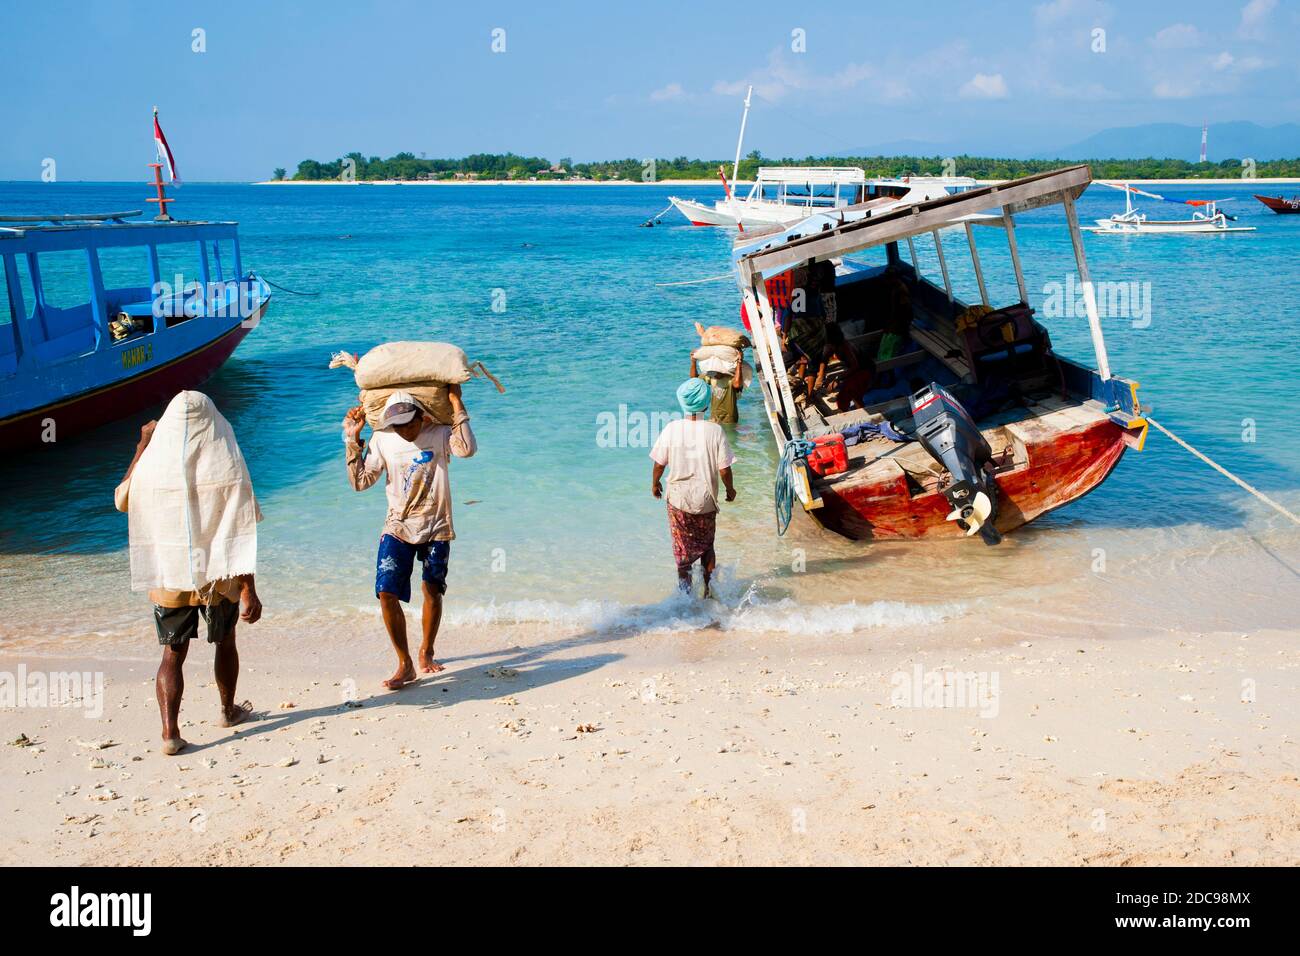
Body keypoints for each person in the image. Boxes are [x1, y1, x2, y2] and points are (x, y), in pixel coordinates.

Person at [114, 391, 264, 756]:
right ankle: (228, 712)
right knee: (225, 642)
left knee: (172, 654)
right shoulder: (225, 460)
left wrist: (141, 447)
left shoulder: (152, 465)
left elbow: (122, 500)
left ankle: (170, 733)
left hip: (171, 573)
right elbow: (241, 526)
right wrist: (249, 590)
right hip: (218, 575)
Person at [343, 387, 476, 690]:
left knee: (432, 590)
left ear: (422, 415)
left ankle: (426, 650)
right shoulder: (382, 439)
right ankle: (405, 664)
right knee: (385, 592)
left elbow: (467, 449)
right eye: (398, 425)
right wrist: (352, 439)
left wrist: (456, 403)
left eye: (409, 423)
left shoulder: (440, 433)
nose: (404, 430)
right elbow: (360, 483)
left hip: (436, 526)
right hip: (398, 527)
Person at [650, 379, 737, 598]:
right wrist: (730, 489)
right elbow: (724, 469)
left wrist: (655, 483)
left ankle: (685, 598)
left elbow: (659, 464)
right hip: (706, 500)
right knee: (707, 545)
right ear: (707, 404)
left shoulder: (672, 428)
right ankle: (708, 591)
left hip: (679, 499)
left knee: (682, 549)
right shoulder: (715, 431)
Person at [689, 350, 744, 424]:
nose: (714, 374)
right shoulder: (711, 377)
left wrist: (739, 363)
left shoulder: (731, 379)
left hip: (729, 420)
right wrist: (693, 362)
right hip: (714, 418)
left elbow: (737, 384)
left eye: (716, 372)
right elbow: (694, 379)